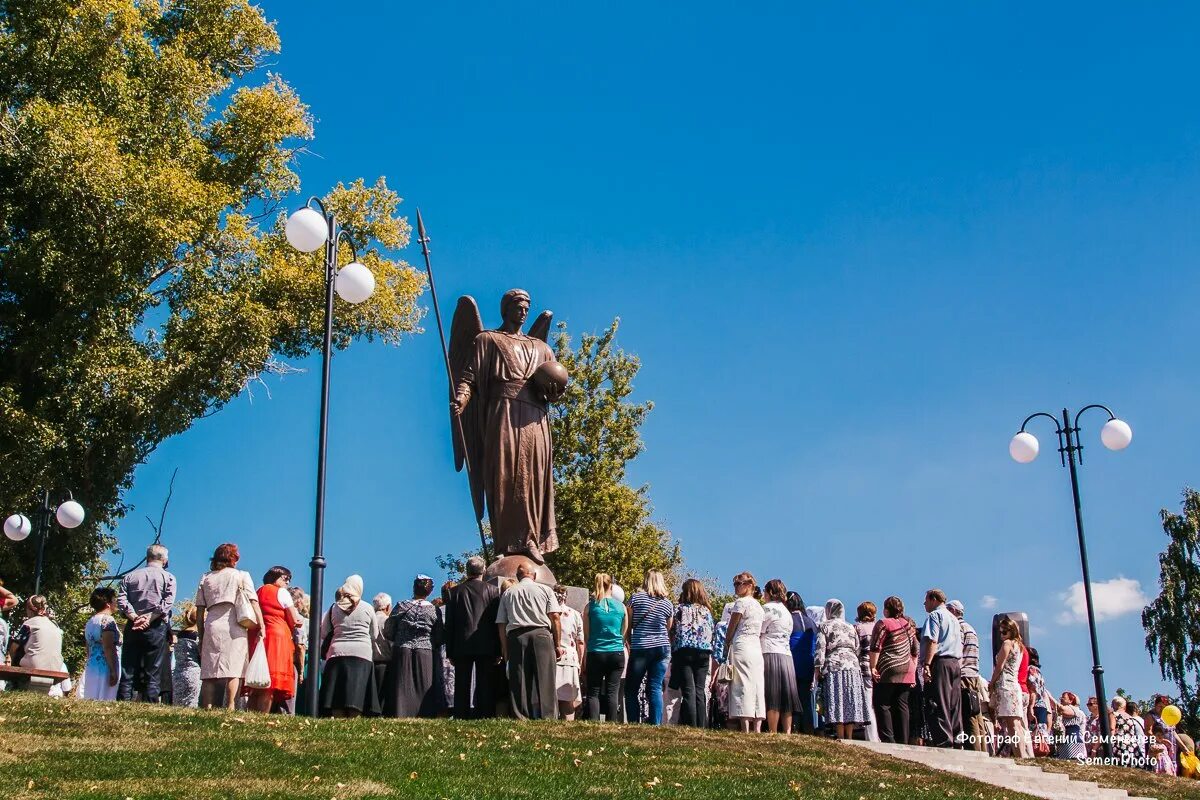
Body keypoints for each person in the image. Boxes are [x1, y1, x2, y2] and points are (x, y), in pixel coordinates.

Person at [194, 543, 262, 710]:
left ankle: (207, 707)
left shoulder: (206, 577)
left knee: (209, 672)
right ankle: (231, 705)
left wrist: (201, 635)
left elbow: (200, 609)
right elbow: (253, 602)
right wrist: (261, 625)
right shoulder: (241, 575)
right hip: (234, 623)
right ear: (234, 558)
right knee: (235, 669)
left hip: (212, 623)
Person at [496, 563, 562, 719]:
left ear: (518, 576)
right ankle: (549, 716)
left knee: (519, 679)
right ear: (534, 575)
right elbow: (555, 617)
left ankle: (520, 716)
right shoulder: (545, 590)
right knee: (546, 678)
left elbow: (501, 623)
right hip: (542, 634)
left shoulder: (508, 593)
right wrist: (558, 644)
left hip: (516, 636)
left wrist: (504, 648)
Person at [116, 544, 176, 703]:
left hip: (133, 625)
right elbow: (167, 603)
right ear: (164, 559)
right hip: (156, 627)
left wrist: (135, 617)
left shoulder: (129, 577)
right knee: (153, 671)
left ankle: (122, 702)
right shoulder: (168, 578)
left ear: (148, 557)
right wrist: (149, 618)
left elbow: (121, 600)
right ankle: (150, 704)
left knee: (127, 669)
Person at [444, 556, 501, 719]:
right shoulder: (493, 591)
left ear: (467, 571)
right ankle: (485, 714)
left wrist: (450, 651)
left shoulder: (454, 592)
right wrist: (498, 648)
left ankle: (461, 714)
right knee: (486, 682)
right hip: (486, 643)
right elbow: (496, 621)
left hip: (462, 643)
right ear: (483, 570)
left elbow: (450, 624)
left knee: (462, 683)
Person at [320, 575, 381, 718]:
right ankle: (354, 721)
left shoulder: (333, 608)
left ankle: (338, 724)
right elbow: (375, 634)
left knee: (337, 697)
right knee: (357, 695)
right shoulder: (367, 608)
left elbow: (324, 632)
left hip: (337, 653)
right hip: (362, 654)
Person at [383, 575, 441, 718]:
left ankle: (400, 712)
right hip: (425, 650)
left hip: (403, 647)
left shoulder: (401, 606)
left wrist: (396, 638)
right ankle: (424, 713)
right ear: (429, 592)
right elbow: (439, 633)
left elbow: (389, 628)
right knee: (424, 683)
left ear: (414, 588)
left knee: (402, 684)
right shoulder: (434, 610)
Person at [246, 566, 300, 713]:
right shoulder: (282, 592)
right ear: (275, 577)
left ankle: (250, 714)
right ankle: (263, 715)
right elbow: (293, 618)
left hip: (258, 636)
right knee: (269, 680)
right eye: (285, 578)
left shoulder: (258, 591)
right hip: (277, 638)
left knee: (256, 679)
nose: (287, 582)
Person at [625, 569, 674, 725]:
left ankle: (633, 721)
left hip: (641, 646)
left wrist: (629, 640)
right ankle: (656, 723)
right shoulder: (668, 604)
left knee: (632, 688)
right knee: (655, 686)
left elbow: (628, 623)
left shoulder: (635, 598)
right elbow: (668, 627)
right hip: (662, 648)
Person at [814, 598, 869, 739]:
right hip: (853, 666)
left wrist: (817, 668)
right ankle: (849, 736)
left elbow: (820, 647)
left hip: (834, 665)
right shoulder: (850, 627)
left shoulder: (824, 626)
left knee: (838, 699)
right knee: (850, 699)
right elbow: (857, 648)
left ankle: (839, 735)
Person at [869, 595, 918, 744]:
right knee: (902, 705)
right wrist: (913, 669)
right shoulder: (909, 625)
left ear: (886, 609)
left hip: (889, 668)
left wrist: (873, 667)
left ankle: (888, 739)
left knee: (882, 703)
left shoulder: (884, 623)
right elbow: (915, 649)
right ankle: (903, 739)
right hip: (907, 670)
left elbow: (875, 646)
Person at [919, 588, 962, 748]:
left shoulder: (934, 616)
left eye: (926, 600)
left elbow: (932, 641)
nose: (924, 604)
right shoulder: (954, 618)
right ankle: (957, 739)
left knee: (938, 702)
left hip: (940, 661)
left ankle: (944, 741)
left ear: (933, 599)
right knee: (953, 704)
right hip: (955, 663)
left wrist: (927, 665)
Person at [723, 572, 766, 732]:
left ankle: (745, 725)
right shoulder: (759, 607)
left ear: (748, 585)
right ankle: (758, 725)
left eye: (738, 583)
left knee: (742, 684)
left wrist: (727, 642)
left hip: (742, 645)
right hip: (756, 647)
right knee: (757, 684)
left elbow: (731, 628)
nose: (735, 587)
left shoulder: (741, 603)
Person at [669, 578, 713, 728]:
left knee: (689, 690)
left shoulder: (679, 609)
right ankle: (702, 725)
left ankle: (691, 725)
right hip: (704, 652)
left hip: (684, 651)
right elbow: (711, 631)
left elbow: (672, 631)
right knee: (700, 690)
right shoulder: (706, 611)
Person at [583, 572, 627, 722]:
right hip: (616, 652)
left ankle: (594, 722)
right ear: (612, 587)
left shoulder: (590, 607)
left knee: (593, 692)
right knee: (612, 692)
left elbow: (587, 634)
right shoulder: (621, 607)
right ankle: (612, 723)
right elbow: (624, 632)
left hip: (596, 651)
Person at [760, 579, 800, 734]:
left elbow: (760, 629)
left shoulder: (767, 609)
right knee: (786, 695)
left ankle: (772, 729)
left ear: (770, 592)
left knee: (773, 693)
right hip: (786, 655)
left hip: (770, 652)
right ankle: (788, 730)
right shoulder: (786, 612)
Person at [947, 600, 986, 751]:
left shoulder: (959, 628)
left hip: (964, 675)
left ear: (954, 611)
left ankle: (973, 749)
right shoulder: (970, 628)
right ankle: (982, 748)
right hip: (974, 674)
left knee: (968, 714)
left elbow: (958, 652)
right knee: (976, 715)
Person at [8, 596, 64, 693]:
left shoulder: (29, 623)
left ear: (30, 610)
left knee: (18, 648)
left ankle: (14, 687)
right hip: (56, 668)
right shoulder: (54, 625)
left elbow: (15, 646)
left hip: (34, 668)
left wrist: (9, 661)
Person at [988, 617, 1025, 757]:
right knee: (1015, 724)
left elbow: (999, 666)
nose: (1002, 634)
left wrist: (991, 683)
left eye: (1004, 631)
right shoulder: (1019, 646)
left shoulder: (1007, 644)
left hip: (1006, 685)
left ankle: (1020, 754)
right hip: (1014, 685)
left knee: (1013, 724)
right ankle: (1020, 754)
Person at [79, 587, 121, 701]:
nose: (116, 602)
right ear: (108, 603)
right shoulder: (108, 621)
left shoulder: (90, 622)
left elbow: (88, 647)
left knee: (91, 697)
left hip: (92, 666)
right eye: (114, 599)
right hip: (105, 667)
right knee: (105, 698)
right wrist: (113, 670)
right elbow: (108, 647)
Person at [786, 592, 818, 734]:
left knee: (792, 696)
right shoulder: (811, 622)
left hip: (793, 660)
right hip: (808, 662)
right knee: (805, 697)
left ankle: (794, 726)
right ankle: (808, 727)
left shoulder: (789, 619)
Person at [554, 584, 585, 719]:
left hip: (553, 657)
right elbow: (581, 642)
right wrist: (581, 661)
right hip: (570, 659)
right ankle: (568, 728)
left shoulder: (548, 614)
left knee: (551, 700)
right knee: (568, 701)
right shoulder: (575, 614)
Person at [854, 601, 879, 742]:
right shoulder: (878, 627)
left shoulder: (857, 628)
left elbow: (856, 650)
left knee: (868, 704)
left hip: (864, 668)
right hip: (879, 668)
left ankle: (871, 736)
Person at [172, 602, 202, 708]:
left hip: (178, 674)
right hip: (194, 673)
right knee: (192, 704)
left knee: (177, 704)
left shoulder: (180, 635)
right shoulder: (197, 636)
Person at [288, 587, 311, 716]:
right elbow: (300, 646)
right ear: (298, 602)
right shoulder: (300, 620)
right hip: (297, 659)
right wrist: (302, 671)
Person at [1051, 691, 1087, 761]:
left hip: (1073, 741)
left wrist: (1049, 696)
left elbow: (1061, 709)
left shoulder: (1075, 710)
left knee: (1073, 762)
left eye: (1063, 698)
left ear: (1070, 700)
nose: (1061, 699)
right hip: (1064, 741)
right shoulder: (1062, 712)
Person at [1110, 696, 1144, 768]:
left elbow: (1112, 728)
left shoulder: (1114, 714)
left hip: (1118, 744)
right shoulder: (1130, 717)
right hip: (1131, 744)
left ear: (1113, 705)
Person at [372, 592, 393, 701]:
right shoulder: (387, 621)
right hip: (385, 663)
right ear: (388, 607)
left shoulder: (370, 619)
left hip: (370, 663)